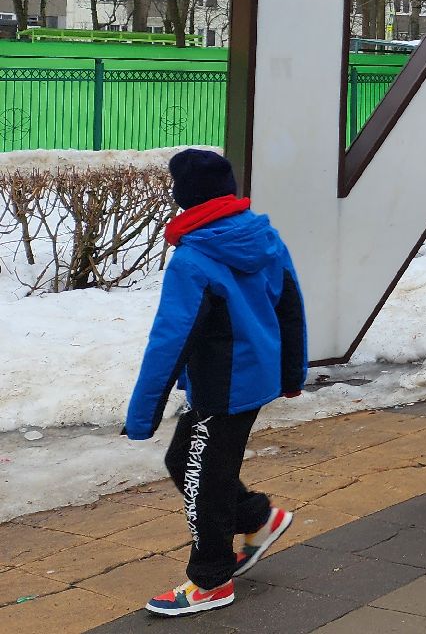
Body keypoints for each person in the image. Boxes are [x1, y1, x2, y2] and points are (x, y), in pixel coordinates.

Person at [125, 149, 307, 616]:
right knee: (185, 460)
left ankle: (210, 580)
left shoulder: (193, 259)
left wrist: (142, 415)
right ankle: (257, 518)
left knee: (200, 476)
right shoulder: (263, 237)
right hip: (251, 377)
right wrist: (291, 373)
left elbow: (169, 341)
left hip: (222, 389)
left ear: (183, 196)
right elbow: (291, 306)